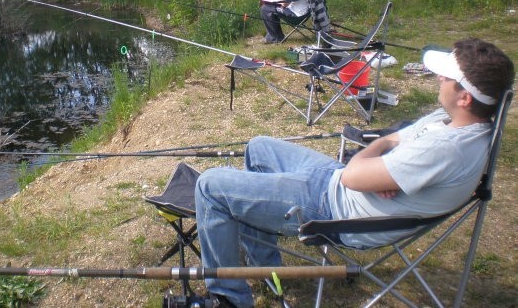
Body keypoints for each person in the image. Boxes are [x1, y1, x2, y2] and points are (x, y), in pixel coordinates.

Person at [195, 38, 514, 308]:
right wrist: (383, 162)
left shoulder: (448, 148)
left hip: (334, 210)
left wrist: (373, 163)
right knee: (259, 146)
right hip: (341, 185)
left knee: (209, 186)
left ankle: (228, 297)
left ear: (465, 96)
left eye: (445, 77)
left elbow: (353, 175)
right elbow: (392, 142)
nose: (437, 79)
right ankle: (265, 269)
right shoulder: (457, 120)